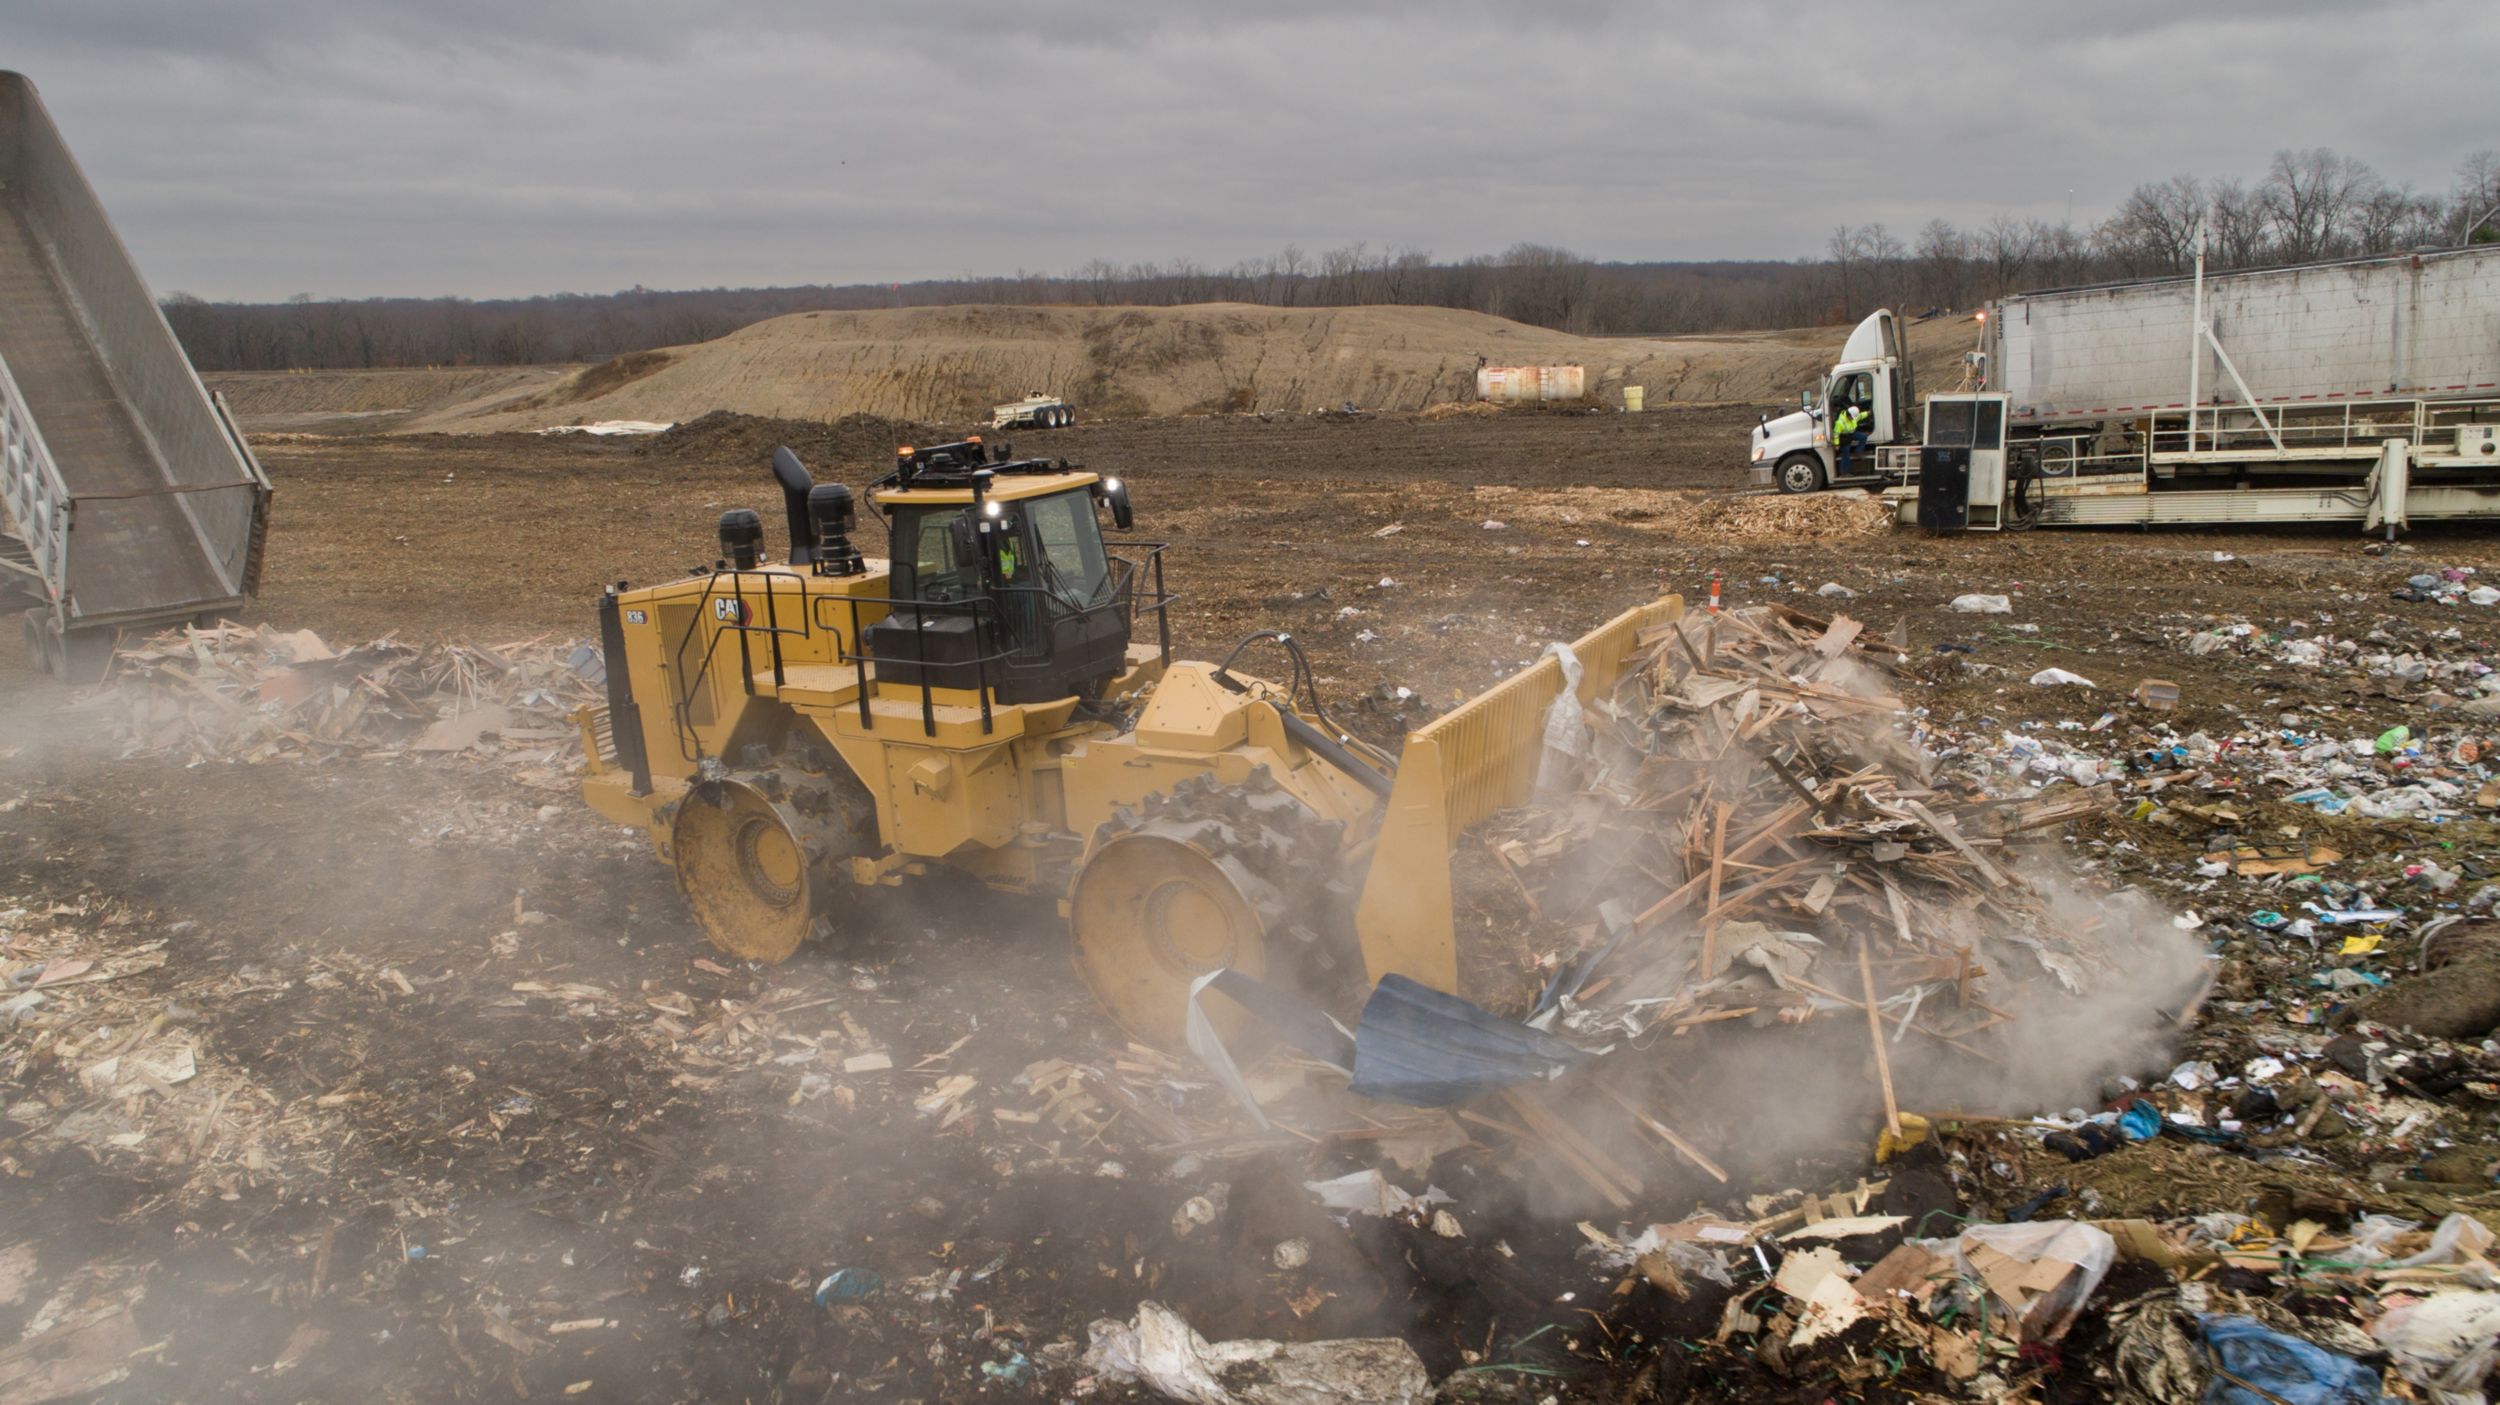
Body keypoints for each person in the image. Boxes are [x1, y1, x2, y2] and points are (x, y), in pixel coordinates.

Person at [1833, 400, 1870, 477]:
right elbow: (1836, 434)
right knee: (1846, 453)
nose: (1853, 419)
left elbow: (1860, 416)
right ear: (1848, 415)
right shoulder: (1840, 422)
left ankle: (1858, 451)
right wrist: (1836, 445)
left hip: (1851, 434)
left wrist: (1868, 413)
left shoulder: (1853, 417)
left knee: (1863, 437)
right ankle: (1845, 472)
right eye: (1852, 417)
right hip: (1844, 438)